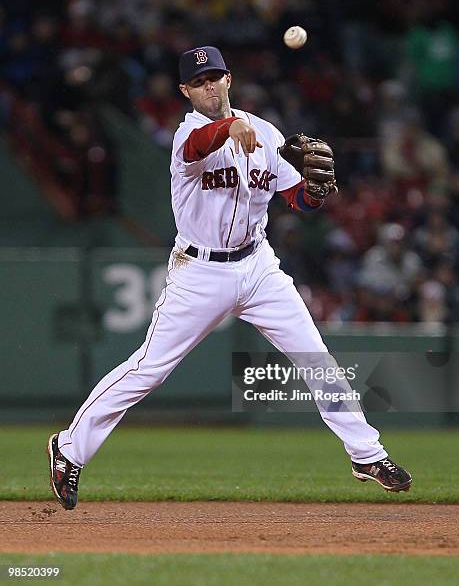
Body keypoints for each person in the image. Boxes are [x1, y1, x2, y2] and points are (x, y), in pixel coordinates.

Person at [47, 46, 411, 510]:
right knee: (148, 370)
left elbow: (295, 197)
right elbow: (201, 146)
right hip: (198, 271)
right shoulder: (187, 136)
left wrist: (315, 194)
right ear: (185, 91)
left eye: (215, 77)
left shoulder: (265, 132)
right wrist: (229, 127)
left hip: (258, 266)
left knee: (315, 356)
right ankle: (69, 449)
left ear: (229, 79)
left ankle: (367, 455)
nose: (210, 86)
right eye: (199, 81)